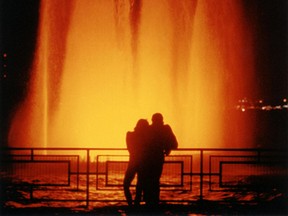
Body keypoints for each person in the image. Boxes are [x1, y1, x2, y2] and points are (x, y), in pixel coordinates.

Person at [143, 113, 178, 206]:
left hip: (146, 158)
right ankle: (154, 201)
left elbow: (142, 144)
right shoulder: (165, 129)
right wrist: (167, 148)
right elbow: (175, 144)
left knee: (147, 179)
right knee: (155, 180)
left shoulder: (148, 129)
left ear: (152, 120)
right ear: (162, 119)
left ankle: (147, 200)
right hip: (158, 157)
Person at [123, 119, 149, 206]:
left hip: (133, 162)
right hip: (143, 163)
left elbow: (130, 149)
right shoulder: (147, 138)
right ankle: (136, 204)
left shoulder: (130, 135)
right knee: (140, 184)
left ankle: (130, 204)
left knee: (126, 184)